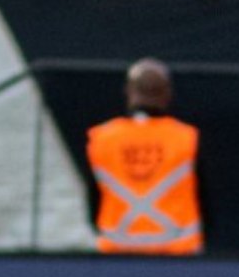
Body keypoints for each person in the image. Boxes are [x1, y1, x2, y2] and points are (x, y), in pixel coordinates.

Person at [86, 57, 204, 255]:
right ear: (167, 94)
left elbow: (93, 201)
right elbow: (203, 197)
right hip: (179, 254)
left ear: (129, 91)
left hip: (117, 254)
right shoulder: (186, 138)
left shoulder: (102, 138)